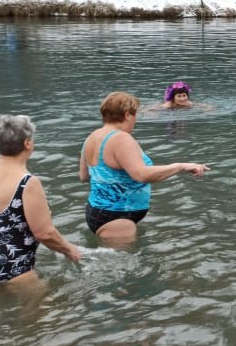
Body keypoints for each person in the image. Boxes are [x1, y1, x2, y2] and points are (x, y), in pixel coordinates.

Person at [0, 114, 81, 285]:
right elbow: (44, 233)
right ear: (27, 143)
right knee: (43, 311)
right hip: (14, 269)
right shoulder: (27, 182)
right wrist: (70, 250)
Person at [79, 91, 210, 242]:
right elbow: (141, 175)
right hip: (118, 217)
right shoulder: (121, 138)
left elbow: (84, 176)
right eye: (135, 115)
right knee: (122, 265)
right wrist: (180, 166)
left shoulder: (91, 137)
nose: (135, 120)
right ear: (127, 114)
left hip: (97, 211)